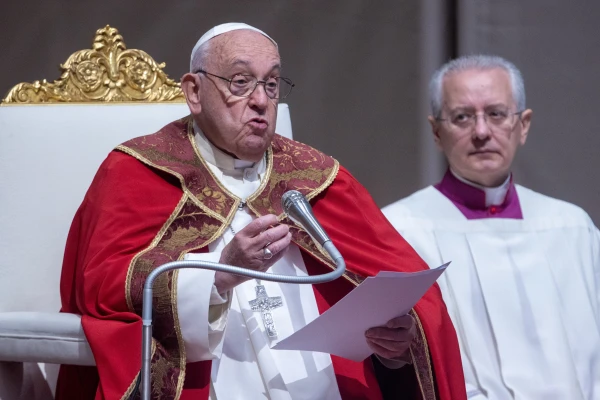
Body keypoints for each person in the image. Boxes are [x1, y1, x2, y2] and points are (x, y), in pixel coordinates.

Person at [56, 23, 466, 400]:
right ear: (194, 92)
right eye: (240, 82)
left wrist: (396, 344)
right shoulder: (139, 170)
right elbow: (101, 287)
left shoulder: (318, 176)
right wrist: (218, 275)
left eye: (271, 84)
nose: (260, 101)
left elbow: (404, 295)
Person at [382, 54, 600, 399]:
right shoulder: (399, 229)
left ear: (523, 125)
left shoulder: (573, 228)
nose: (481, 132)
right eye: (462, 117)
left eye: (496, 114)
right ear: (437, 131)